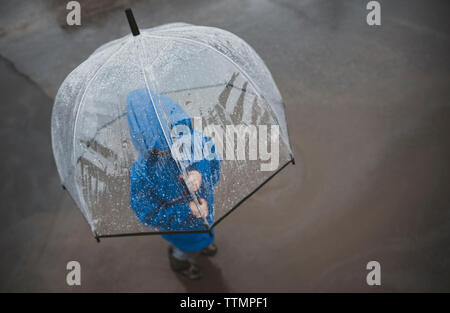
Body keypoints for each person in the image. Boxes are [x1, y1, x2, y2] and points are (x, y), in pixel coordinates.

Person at [126, 88, 221, 280]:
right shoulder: (142, 175)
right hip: (181, 230)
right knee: (186, 249)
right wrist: (187, 210)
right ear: (144, 140)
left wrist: (200, 173)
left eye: (176, 139)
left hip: (205, 210)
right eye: (161, 147)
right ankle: (180, 261)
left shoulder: (194, 140)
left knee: (205, 230)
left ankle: (203, 241)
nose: (173, 149)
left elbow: (214, 164)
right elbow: (149, 214)